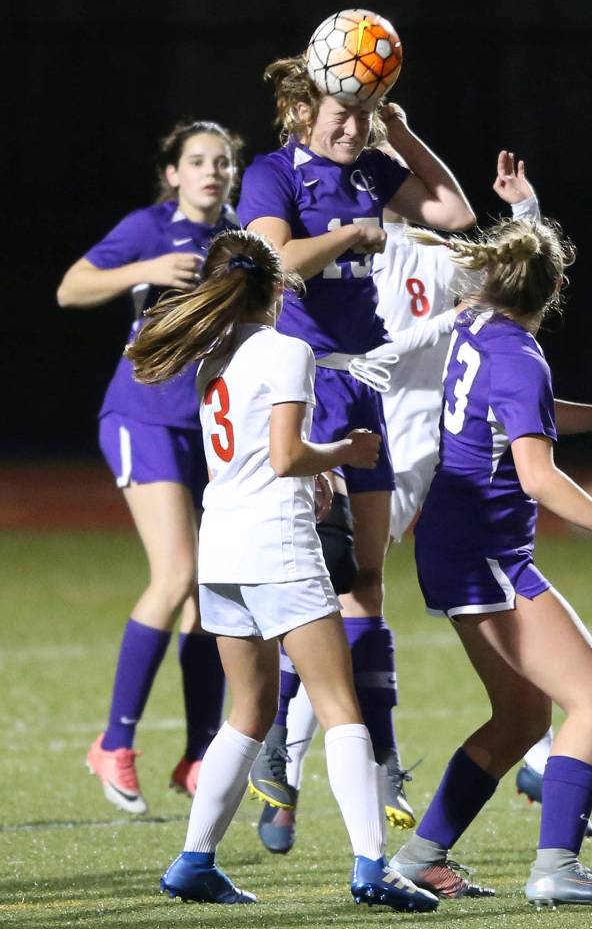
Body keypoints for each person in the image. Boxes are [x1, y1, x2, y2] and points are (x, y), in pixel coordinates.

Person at [124, 227, 439, 911]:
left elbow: (252, 460)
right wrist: (345, 456)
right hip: (276, 548)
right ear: (278, 289)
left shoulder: (213, 357)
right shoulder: (288, 349)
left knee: (248, 711)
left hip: (223, 552)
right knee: (340, 708)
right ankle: (371, 868)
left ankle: (193, 862)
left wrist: (309, 472)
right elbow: (289, 455)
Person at [386, 212, 592, 908]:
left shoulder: (472, 325)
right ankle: (555, 868)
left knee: (520, 721)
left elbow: (522, 412)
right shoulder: (518, 352)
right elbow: (537, 475)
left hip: (457, 547)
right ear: (552, 292)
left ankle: (419, 857)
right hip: (484, 555)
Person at [236, 51, 476, 832]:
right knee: (308, 580)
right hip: (303, 387)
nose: (351, 126)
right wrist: (351, 236)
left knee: (366, 580)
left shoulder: (374, 165)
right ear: (303, 112)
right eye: (340, 112)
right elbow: (271, 265)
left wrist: (403, 134)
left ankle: (380, 756)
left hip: (363, 389)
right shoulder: (273, 173)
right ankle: (276, 744)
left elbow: (452, 212)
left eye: (363, 112)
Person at [56, 120, 242, 813]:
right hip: (142, 416)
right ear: (172, 174)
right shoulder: (148, 228)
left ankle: (197, 755)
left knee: (210, 594)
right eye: (196, 161)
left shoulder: (241, 240)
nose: (210, 171)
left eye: (221, 162)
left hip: (208, 431)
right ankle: (113, 742)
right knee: (175, 576)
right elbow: (70, 289)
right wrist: (145, 271)